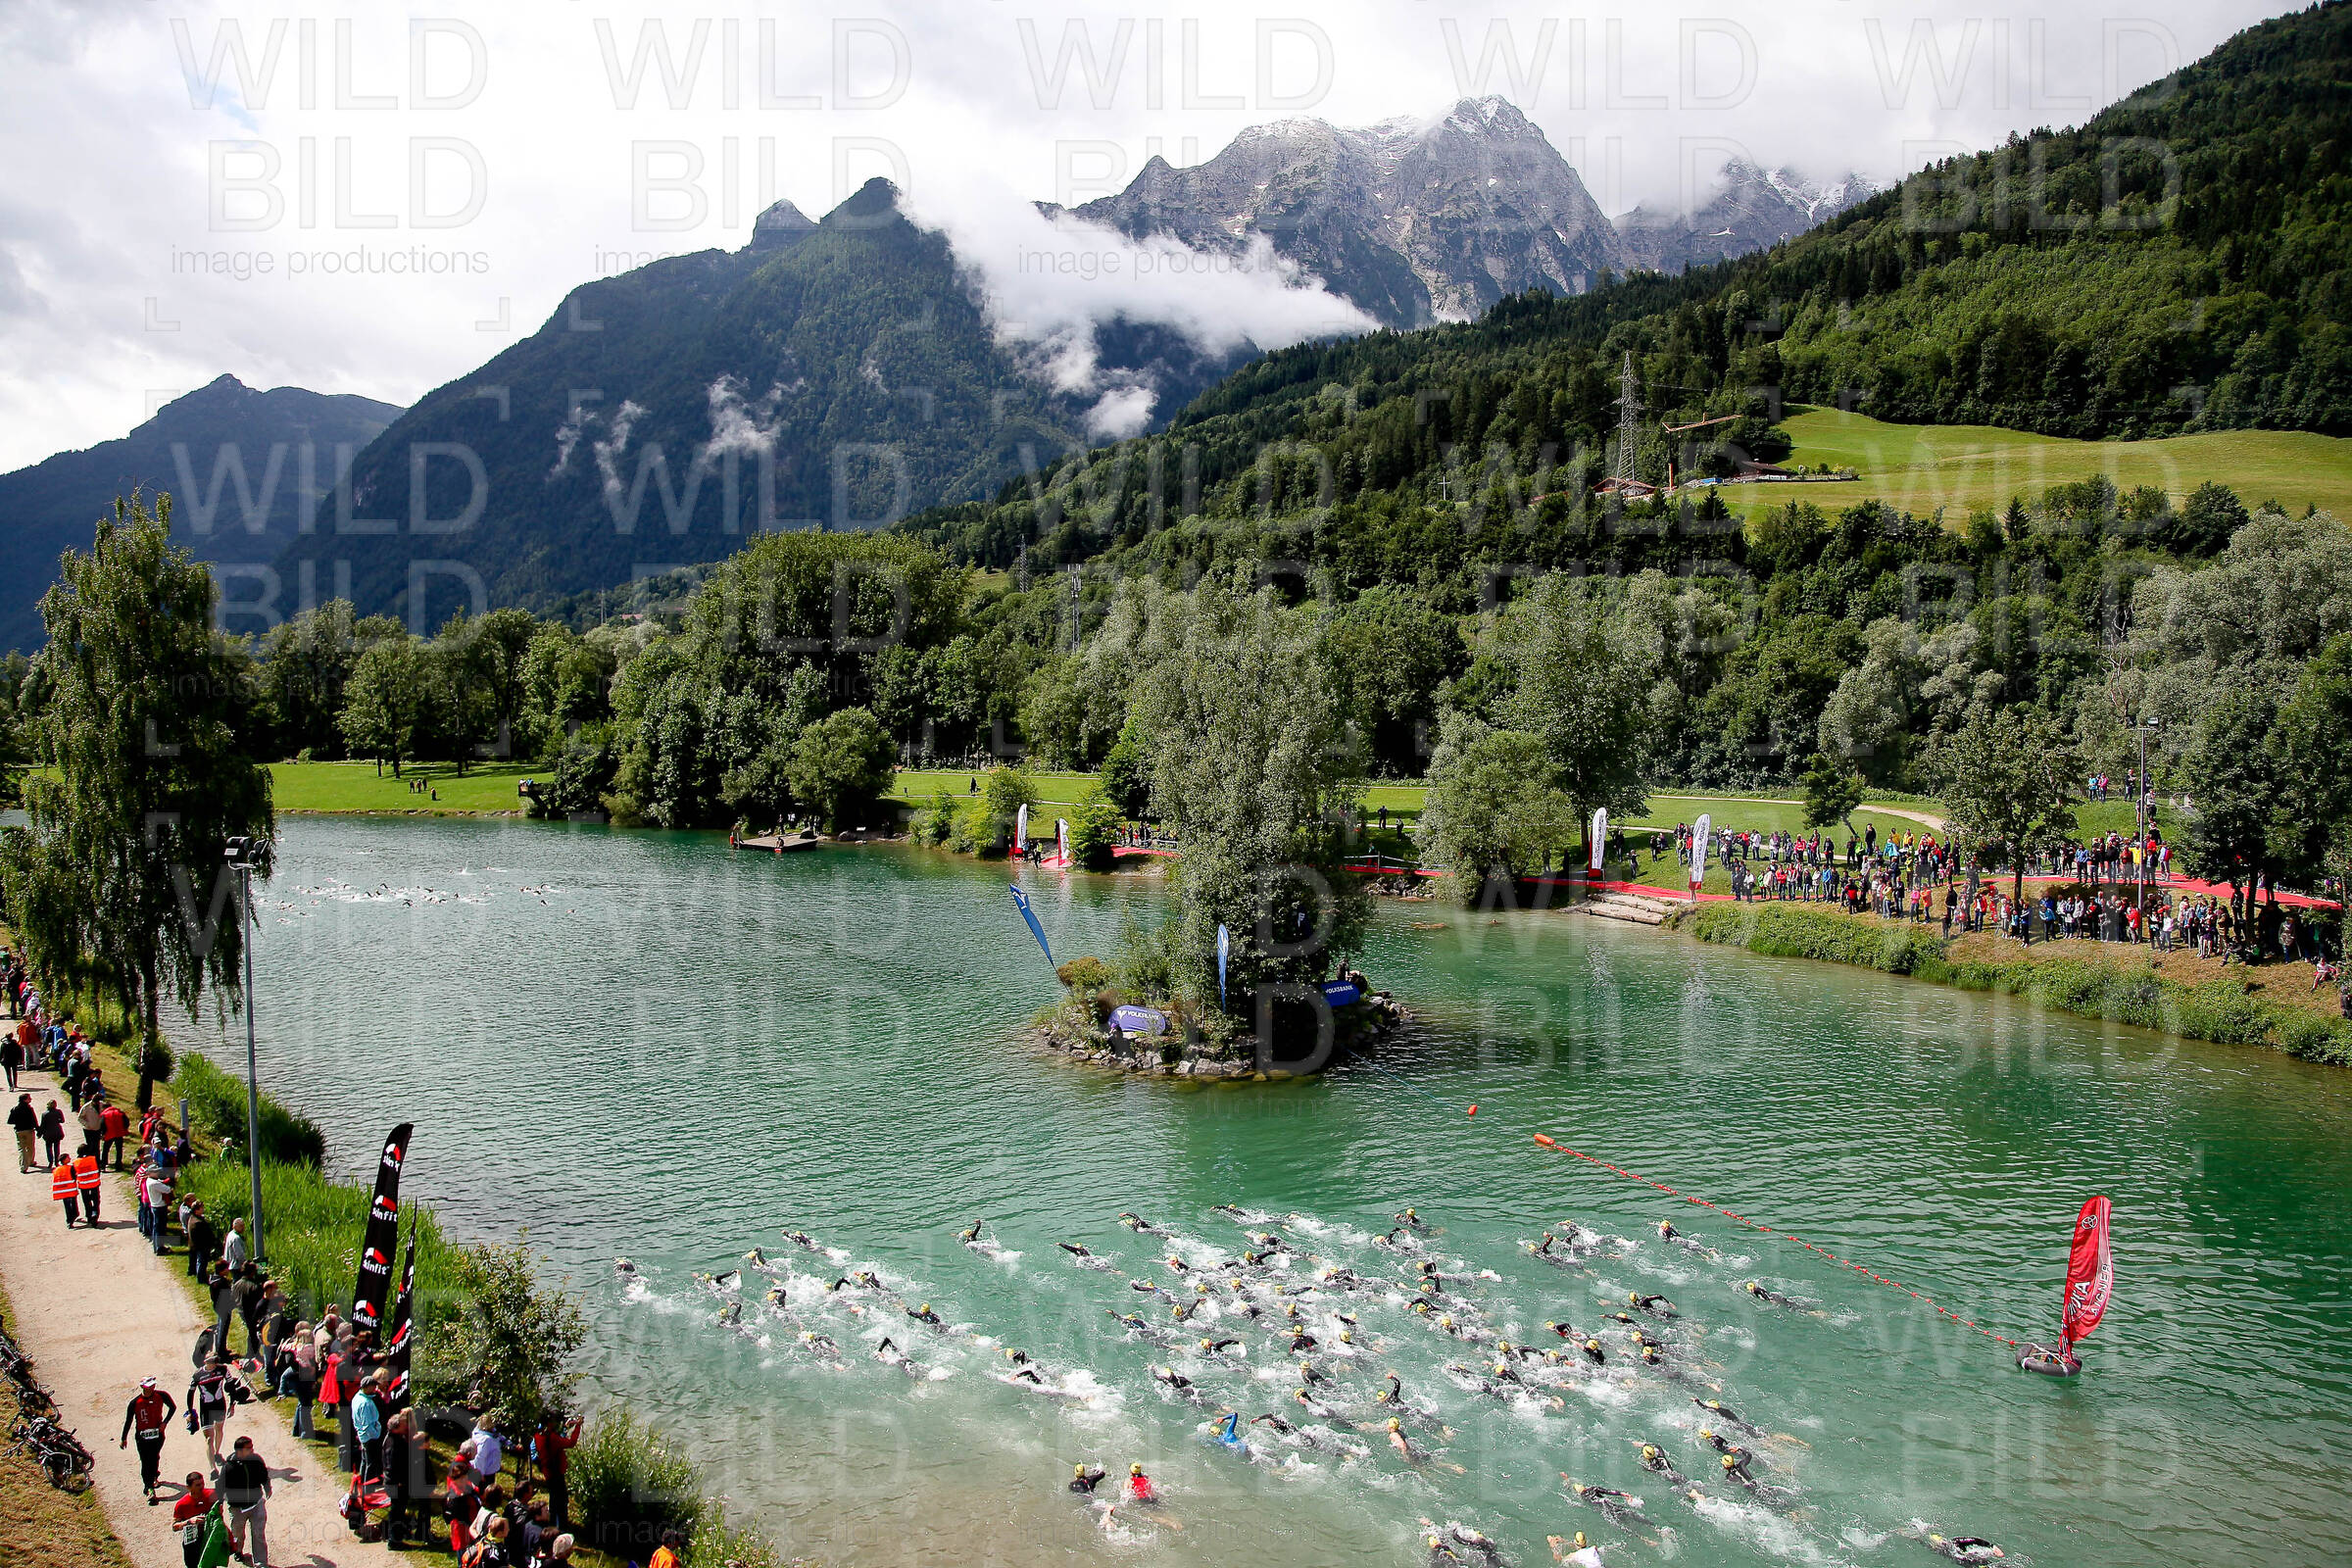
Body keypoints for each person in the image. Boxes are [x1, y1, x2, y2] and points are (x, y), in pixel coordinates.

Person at [121, 1376, 178, 1502]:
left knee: (154, 1457)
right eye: (149, 1386)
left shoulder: (161, 1396)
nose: (152, 1388)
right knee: (146, 1461)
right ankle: (149, 1488)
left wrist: (165, 1422)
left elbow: (173, 1407)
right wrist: (123, 1438)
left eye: (153, 1385)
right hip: (142, 1437)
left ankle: (154, 1475)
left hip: (157, 1435)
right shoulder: (135, 1403)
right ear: (142, 1387)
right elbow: (128, 1421)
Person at [220, 1434, 272, 1568]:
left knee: (258, 1534)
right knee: (238, 1534)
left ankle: (261, 1563)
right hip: (238, 1509)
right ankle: (238, 1550)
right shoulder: (228, 1467)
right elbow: (220, 1487)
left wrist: (267, 1488)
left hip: (256, 1504)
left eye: (252, 1447)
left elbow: (264, 1475)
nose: (252, 1449)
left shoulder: (257, 1460)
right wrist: (219, 1503)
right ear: (239, 1451)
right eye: (249, 1448)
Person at [186, 1355, 239, 1467]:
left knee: (219, 1429)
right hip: (206, 1408)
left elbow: (231, 1386)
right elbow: (190, 1393)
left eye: (215, 1361)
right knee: (209, 1439)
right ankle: (212, 1469)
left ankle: (217, 1454)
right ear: (205, 1361)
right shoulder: (198, 1375)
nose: (213, 1364)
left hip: (219, 1405)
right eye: (211, 1362)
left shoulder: (223, 1369)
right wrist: (190, 1412)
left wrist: (232, 1404)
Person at [531, 1410, 581, 1526]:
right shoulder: (552, 1438)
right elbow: (571, 1443)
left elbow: (556, 1441)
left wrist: (565, 1428)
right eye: (553, 1421)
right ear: (549, 1423)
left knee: (554, 1499)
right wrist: (577, 1426)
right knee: (561, 1502)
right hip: (556, 1473)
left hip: (548, 1472)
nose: (555, 1423)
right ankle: (560, 1527)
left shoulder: (538, 1436)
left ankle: (553, 1522)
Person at [351, 1371, 387, 1486]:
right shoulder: (366, 1403)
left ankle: (361, 1483)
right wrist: (376, 1435)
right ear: (368, 1386)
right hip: (370, 1437)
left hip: (362, 1436)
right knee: (371, 1464)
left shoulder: (357, 1397)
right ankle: (368, 1488)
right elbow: (367, 1424)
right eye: (374, 1386)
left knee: (364, 1461)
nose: (375, 1388)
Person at [172, 1471, 215, 1568]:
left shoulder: (211, 1495)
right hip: (192, 1543)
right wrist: (189, 1521)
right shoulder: (182, 1504)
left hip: (208, 1539)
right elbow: (174, 1527)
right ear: (188, 1487)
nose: (202, 1487)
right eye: (198, 1485)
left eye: (203, 1483)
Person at [52, 1151, 81, 1226]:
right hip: (71, 1190)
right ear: (64, 1160)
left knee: (67, 1206)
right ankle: (74, 1216)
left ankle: (69, 1220)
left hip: (63, 1191)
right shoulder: (71, 1168)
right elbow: (75, 1177)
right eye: (68, 1157)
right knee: (73, 1204)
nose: (70, 1158)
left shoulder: (56, 1170)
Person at [73, 1147, 101, 1224]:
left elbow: (74, 1175)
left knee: (86, 1201)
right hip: (94, 1183)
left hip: (83, 1185)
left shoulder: (76, 1162)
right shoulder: (93, 1159)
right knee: (96, 1200)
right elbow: (98, 1169)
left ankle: (89, 1216)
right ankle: (95, 1213)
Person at [8, 1091, 35, 1172]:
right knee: (30, 1147)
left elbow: (10, 1121)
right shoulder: (29, 1109)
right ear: (25, 1100)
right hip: (29, 1130)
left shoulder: (14, 1109)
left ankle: (23, 1167)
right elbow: (34, 1120)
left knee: (21, 1149)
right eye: (29, 1098)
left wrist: (18, 1121)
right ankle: (30, 1162)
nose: (30, 1099)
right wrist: (38, 1129)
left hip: (19, 1131)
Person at [100, 1099, 128, 1167]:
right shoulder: (120, 1112)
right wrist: (124, 1129)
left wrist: (103, 1133)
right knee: (119, 1149)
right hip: (119, 1133)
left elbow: (102, 1124)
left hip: (109, 1134)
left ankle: (104, 1164)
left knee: (106, 1149)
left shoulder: (105, 1114)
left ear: (104, 1108)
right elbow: (126, 1122)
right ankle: (118, 1164)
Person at [38, 1099, 65, 1167]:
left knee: (48, 1148)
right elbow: (62, 1121)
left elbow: (42, 1125)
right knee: (57, 1148)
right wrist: (57, 1120)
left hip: (48, 1133)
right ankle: (56, 1162)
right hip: (57, 1132)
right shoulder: (59, 1112)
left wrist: (39, 1133)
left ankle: (50, 1162)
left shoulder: (44, 1114)